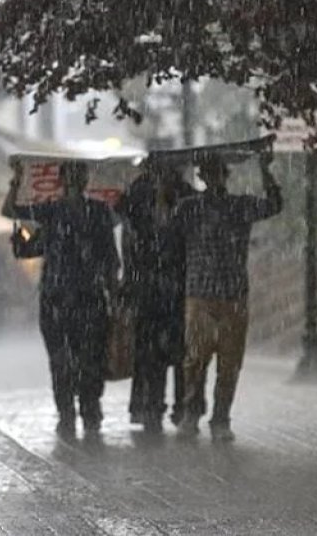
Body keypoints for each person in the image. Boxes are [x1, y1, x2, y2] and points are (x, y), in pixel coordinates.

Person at [3, 161, 120, 439]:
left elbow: (109, 260)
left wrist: (114, 295)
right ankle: (70, 412)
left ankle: (86, 410)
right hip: (60, 299)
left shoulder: (96, 212)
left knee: (87, 358)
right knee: (64, 360)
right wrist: (17, 181)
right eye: (73, 175)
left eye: (79, 175)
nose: (76, 180)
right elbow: (13, 212)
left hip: (85, 298)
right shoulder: (53, 213)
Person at [174, 151, 282, 442]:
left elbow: (274, 205)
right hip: (200, 294)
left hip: (232, 294)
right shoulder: (189, 208)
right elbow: (166, 224)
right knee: (195, 359)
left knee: (229, 362)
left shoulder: (239, 206)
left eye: (217, 173)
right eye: (208, 173)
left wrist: (265, 170)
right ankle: (192, 412)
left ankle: (221, 418)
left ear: (224, 175)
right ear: (203, 177)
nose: (213, 179)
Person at [116, 161, 201, 434]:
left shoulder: (185, 194)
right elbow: (129, 233)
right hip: (150, 285)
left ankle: (181, 406)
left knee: (179, 351)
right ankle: (152, 406)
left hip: (176, 285)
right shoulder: (139, 192)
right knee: (151, 351)